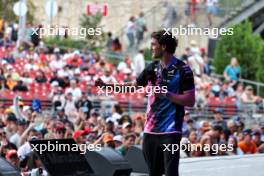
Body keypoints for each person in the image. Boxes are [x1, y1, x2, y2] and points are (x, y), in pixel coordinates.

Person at [95, 30, 195, 176]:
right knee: (153, 173)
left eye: (154, 44)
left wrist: (166, 94)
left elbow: (190, 100)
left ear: (164, 46)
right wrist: (108, 87)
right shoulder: (152, 67)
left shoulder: (183, 69)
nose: (151, 48)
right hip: (150, 132)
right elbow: (133, 85)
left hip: (171, 132)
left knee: (171, 173)